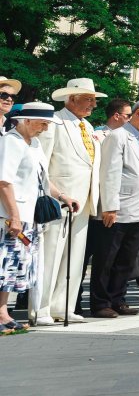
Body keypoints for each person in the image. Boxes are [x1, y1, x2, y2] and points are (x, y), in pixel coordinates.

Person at [32, 78, 106, 326]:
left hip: (83, 201)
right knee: (50, 254)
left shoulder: (87, 127)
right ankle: (40, 308)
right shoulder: (54, 123)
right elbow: (41, 164)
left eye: (94, 100)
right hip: (59, 200)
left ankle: (63, 306)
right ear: (71, 99)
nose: (93, 104)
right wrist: (53, 194)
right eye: (88, 99)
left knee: (74, 257)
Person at [0, 103, 77, 333]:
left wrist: (62, 195)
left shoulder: (33, 144)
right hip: (12, 215)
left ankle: (3, 311)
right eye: (42, 122)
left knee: (14, 267)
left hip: (29, 215)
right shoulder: (11, 143)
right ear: (26, 121)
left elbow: (43, 178)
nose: (45, 127)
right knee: (4, 265)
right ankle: (1, 313)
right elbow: (4, 182)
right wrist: (14, 215)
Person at [91, 98, 139, 318]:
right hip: (118, 209)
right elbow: (110, 172)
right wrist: (109, 206)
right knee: (106, 260)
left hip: (137, 210)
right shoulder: (118, 135)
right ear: (138, 113)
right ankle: (101, 303)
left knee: (126, 261)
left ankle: (117, 299)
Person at [76, 97, 132, 315]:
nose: (129, 119)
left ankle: (112, 298)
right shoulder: (98, 134)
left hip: (111, 205)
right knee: (86, 256)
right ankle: (76, 299)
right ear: (116, 115)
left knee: (114, 257)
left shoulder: (127, 137)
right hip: (93, 204)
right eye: (127, 115)